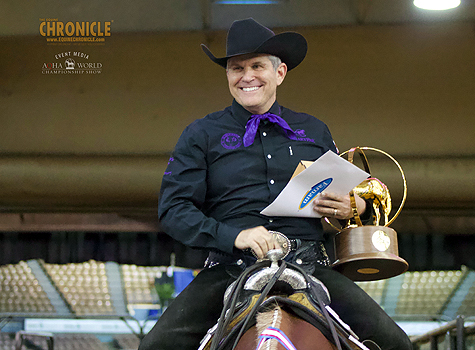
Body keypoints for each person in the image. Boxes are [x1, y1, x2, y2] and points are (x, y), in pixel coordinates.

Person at [139, 18, 411, 350]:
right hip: (229, 268)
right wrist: (236, 236)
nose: (247, 76)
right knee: (155, 347)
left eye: (257, 66)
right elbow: (174, 210)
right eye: (236, 68)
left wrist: (351, 205)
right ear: (227, 76)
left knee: (396, 343)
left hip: (310, 265)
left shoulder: (315, 130)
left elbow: (344, 196)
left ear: (279, 73)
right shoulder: (201, 134)